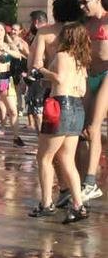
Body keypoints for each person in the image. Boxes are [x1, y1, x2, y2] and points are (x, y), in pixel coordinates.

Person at [30, 22, 90, 223]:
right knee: (66, 159)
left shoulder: (63, 56)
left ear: (68, 37)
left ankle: (46, 203)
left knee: (44, 157)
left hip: (60, 106)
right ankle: (78, 205)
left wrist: (41, 70)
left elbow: (60, 78)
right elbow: (82, 89)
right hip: (77, 107)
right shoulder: (81, 60)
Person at [77, 0, 106, 204]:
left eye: (85, 2)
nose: (82, 6)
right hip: (90, 75)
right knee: (83, 130)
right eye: (80, 3)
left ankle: (90, 182)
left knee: (94, 127)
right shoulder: (86, 24)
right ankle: (80, 182)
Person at [0, 23, 23, 146]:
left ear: (5, 32)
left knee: (13, 109)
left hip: (5, 79)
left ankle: (16, 137)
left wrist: (7, 50)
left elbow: (19, 56)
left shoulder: (8, 45)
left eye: (1, 29)